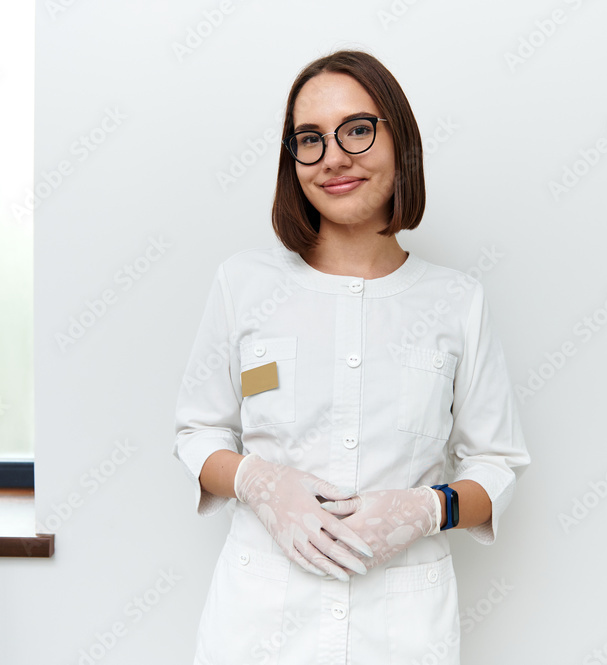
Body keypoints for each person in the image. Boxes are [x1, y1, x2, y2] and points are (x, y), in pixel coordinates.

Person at [173, 49, 529, 665]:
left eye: (357, 130)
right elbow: (196, 432)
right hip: (259, 622)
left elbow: (497, 465)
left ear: (401, 141)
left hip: (402, 627)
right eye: (309, 139)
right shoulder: (244, 285)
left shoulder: (456, 302)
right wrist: (261, 482)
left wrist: (425, 508)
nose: (333, 156)